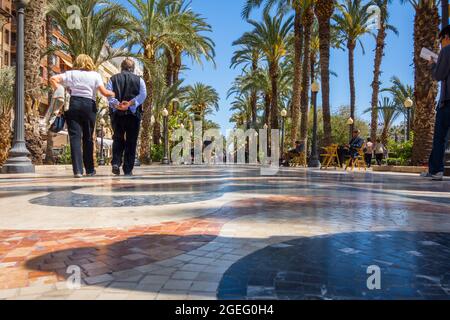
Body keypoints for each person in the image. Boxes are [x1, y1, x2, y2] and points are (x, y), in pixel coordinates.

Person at [50, 54, 115, 178]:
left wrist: (60, 91)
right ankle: (90, 170)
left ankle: (78, 171)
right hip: (89, 106)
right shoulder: (95, 75)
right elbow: (104, 92)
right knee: (88, 138)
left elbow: (53, 79)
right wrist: (114, 93)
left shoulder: (71, 74)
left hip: (73, 105)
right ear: (90, 62)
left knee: (75, 137)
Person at [107, 58, 147, 176]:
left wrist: (117, 105)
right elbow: (143, 95)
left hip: (117, 114)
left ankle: (116, 162)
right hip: (133, 115)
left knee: (118, 138)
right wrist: (130, 104)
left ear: (121, 67)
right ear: (133, 68)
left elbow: (109, 94)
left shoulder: (113, 79)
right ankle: (128, 168)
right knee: (131, 141)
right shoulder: (140, 80)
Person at [425, 25, 450, 181]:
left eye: (441, 40)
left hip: (447, 102)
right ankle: (432, 169)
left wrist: (433, 64)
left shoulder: (447, 51)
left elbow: (439, 75)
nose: (440, 44)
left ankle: (436, 170)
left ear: (446, 37)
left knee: (439, 138)